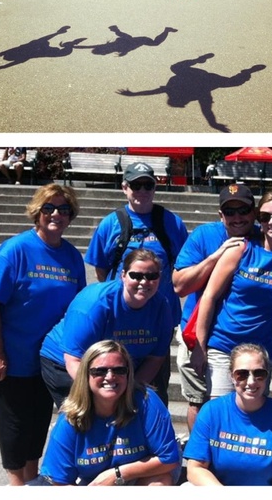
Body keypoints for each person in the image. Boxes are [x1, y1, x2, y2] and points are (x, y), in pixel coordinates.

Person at [0, 184, 86, 485]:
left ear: (71, 216)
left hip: (43, 359)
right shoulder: (15, 250)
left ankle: (33, 483)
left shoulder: (71, 256)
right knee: (14, 429)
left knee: (37, 426)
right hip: (8, 357)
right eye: (49, 208)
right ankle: (17, 485)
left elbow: (77, 307)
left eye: (64, 209)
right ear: (37, 212)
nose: (56, 214)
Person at [84, 161, 188, 405]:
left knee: (153, 392)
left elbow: (184, 266)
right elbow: (101, 270)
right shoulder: (110, 223)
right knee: (111, 387)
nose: (142, 190)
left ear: (155, 187)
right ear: (124, 188)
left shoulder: (172, 223)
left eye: (147, 185)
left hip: (157, 320)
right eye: (135, 185)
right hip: (118, 322)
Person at [191, 190, 272, 399]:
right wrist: (200, 347)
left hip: (261, 351)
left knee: (253, 412)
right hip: (223, 344)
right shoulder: (241, 249)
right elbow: (209, 296)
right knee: (221, 410)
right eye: (265, 217)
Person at [172, 183, 258, 430]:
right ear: (221, 215)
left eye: (243, 210)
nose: (237, 218)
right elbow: (179, 286)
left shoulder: (264, 237)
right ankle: (199, 460)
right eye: (230, 212)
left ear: (253, 212)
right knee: (199, 403)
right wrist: (215, 257)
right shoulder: (204, 236)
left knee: (248, 402)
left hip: (246, 336)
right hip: (198, 334)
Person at [35, 340, 181, 486]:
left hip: (143, 474)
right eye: (100, 371)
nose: (110, 377)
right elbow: (59, 482)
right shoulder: (70, 418)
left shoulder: (146, 402)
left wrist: (117, 474)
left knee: (159, 483)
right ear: (85, 375)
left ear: (128, 374)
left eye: (119, 370)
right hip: (93, 483)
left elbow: (169, 459)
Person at [40, 249, 172, 408]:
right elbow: (74, 359)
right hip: (68, 363)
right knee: (89, 416)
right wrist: (106, 396)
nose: (144, 282)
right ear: (123, 275)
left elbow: (155, 359)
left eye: (151, 276)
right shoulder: (95, 304)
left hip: (120, 368)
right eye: (136, 276)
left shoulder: (162, 307)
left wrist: (130, 389)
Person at [184, 343, 272, 485]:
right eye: (242, 374)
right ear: (231, 376)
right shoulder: (211, 411)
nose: (251, 382)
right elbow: (195, 469)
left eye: (259, 373)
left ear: (267, 375)